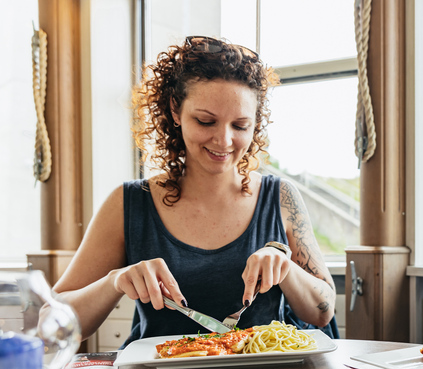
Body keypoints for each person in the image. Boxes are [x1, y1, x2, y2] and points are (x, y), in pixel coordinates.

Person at [53, 36, 336, 345]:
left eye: (240, 126)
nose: (224, 141)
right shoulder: (129, 202)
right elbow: (52, 323)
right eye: (205, 121)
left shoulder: (280, 196)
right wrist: (114, 281)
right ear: (175, 110)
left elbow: (323, 313)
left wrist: (287, 269)